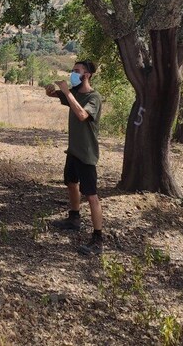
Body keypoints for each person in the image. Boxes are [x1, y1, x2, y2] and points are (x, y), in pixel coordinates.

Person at [45, 60, 104, 256]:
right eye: (72, 70)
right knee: (71, 182)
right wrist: (51, 90)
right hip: (73, 151)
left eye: (76, 71)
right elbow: (53, 94)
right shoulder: (75, 93)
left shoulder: (93, 97)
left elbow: (82, 114)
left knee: (92, 195)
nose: (72, 74)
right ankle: (74, 217)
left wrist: (67, 92)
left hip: (86, 154)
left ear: (86, 75)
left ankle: (98, 238)